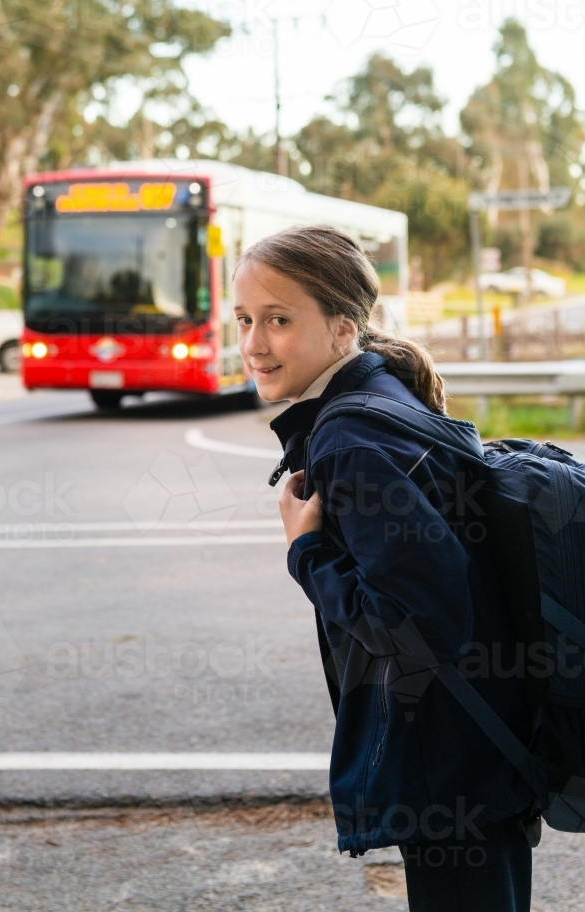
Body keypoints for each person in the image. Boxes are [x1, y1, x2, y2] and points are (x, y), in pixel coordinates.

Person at [233, 226, 537, 912]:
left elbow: (416, 625)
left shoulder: (352, 439)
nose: (253, 342)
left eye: (279, 320)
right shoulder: (380, 401)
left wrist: (304, 552)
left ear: (342, 330)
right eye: (245, 319)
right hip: (477, 746)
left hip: (447, 761)